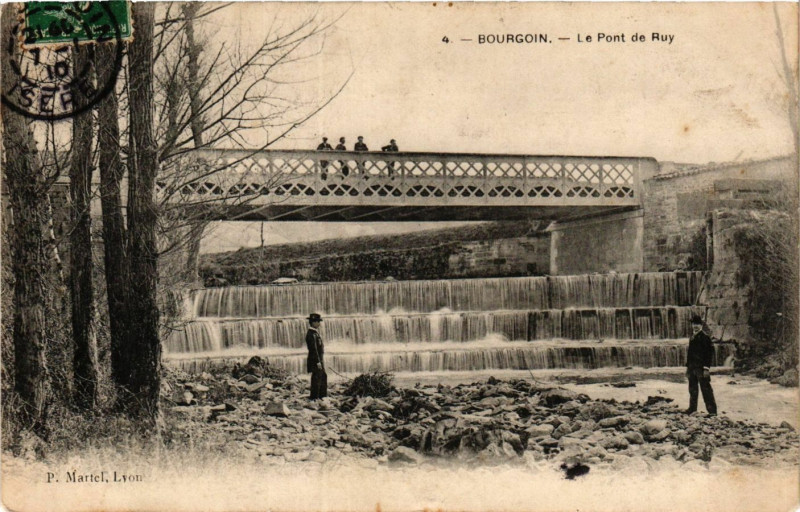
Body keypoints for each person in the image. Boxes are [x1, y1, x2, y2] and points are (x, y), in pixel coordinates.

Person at [685, 314, 717, 415]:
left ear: (701, 325)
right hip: (692, 368)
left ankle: (712, 412)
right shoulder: (692, 337)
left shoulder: (705, 338)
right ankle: (692, 409)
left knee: (706, 390)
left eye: (698, 324)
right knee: (692, 389)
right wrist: (688, 368)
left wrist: (706, 368)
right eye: (694, 324)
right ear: (691, 325)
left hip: (701, 368)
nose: (695, 326)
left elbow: (709, 354)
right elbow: (690, 354)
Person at [306, 313, 327, 400]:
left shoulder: (315, 333)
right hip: (315, 360)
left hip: (319, 359)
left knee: (322, 376)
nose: (319, 323)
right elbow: (313, 350)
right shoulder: (311, 334)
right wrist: (318, 361)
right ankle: (315, 397)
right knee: (317, 378)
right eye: (317, 321)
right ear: (313, 322)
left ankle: (322, 396)